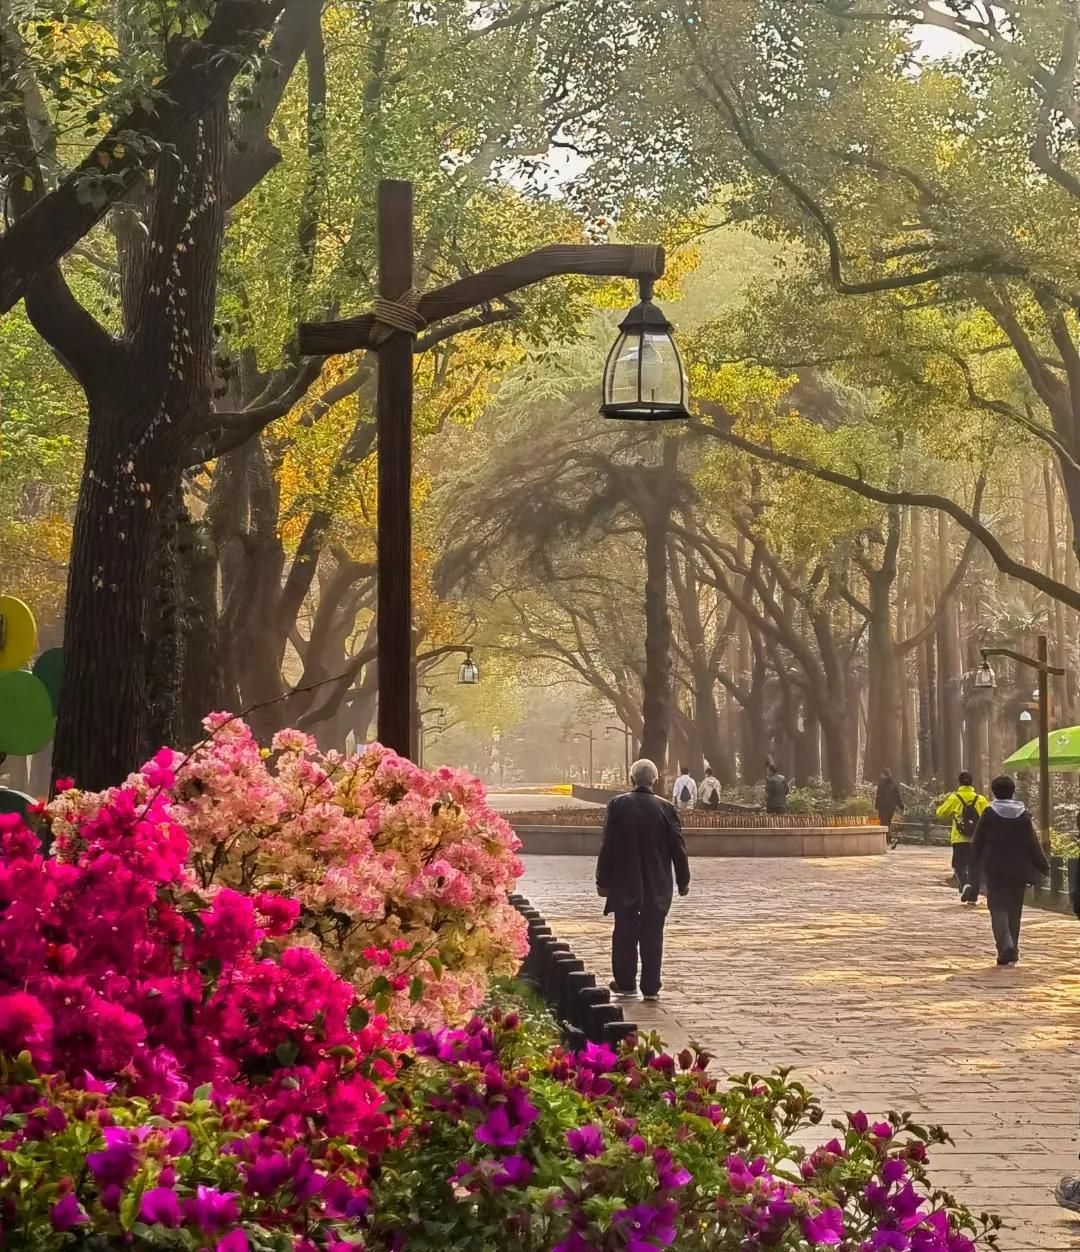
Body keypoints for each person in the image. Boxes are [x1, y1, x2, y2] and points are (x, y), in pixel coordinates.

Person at [596, 757, 690, 1002]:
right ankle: (650, 985)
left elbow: (608, 845)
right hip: (657, 882)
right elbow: (677, 847)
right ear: (655, 781)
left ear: (632, 779)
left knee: (624, 931)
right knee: (653, 933)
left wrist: (602, 880)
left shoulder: (618, 805)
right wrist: (683, 880)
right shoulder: (666, 808)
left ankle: (625, 982)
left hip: (624, 881)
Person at [966, 775, 1049, 965]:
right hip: (1019, 870)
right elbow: (1032, 843)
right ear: (1013, 791)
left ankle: (1006, 946)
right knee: (1014, 910)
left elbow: (977, 842)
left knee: (998, 908)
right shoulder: (1023, 815)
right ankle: (1013, 947)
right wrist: (1043, 866)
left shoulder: (989, 813)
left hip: (995, 869)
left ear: (994, 791)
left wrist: (974, 865)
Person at [935, 771, 988, 899]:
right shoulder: (980, 799)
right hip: (977, 838)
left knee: (959, 864)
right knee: (975, 866)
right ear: (972, 783)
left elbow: (940, 813)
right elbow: (989, 815)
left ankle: (965, 884)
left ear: (959, 783)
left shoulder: (954, 798)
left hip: (959, 838)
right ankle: (973, 896)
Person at [874, 768, 904, 849]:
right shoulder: (893, 783)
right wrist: (901, 805)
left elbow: (879, 796)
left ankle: (889, 840)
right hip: (891, 807)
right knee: (888, 824)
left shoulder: (881, 784)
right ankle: (889, 841)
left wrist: (876, 806)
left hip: (883, 807)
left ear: (883, 774)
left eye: (882, 774)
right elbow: (897, 796)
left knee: (883, 825)